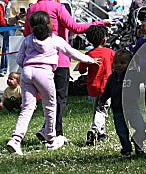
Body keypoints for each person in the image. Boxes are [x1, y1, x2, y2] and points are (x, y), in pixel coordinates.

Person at [24, 0, 113, 142]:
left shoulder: (32, 9)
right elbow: (75, 28)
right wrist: (101, 22)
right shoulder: (58, 7)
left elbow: (26, 34)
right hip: (59, 59)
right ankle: (52, 132)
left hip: (39, 61)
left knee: (48, 99)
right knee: (60, 98)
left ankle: (50, 130)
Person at [6, 11, 100, 155]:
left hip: (27, 72)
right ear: (49, 25)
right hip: (44, 73)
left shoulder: (27, 39)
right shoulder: (55, 40)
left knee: (27, 108)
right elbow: (72, 52)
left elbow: (19, 60)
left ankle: (16, 140)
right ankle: (51, 139)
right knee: (50, 106)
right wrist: (91, 60)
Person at [99, 50, 146, 158]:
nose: (118, 65)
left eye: (122, 63)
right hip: (118, 110)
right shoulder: (112, 78)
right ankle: (126, 150)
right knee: (122, 132)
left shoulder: (134, 75)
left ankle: (137, 140)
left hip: (132, 108)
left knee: (141, 126)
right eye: (116, 63)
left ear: (130, 64)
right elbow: (107, 91)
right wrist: (102, 100)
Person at [78, 25, 115, 145]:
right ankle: (95, 130)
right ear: (104, 39)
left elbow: (81, 70)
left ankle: (101, 134)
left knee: (97, 110)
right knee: (102, 110)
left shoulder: (88, 54)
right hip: (107, 86)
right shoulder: (110, 52)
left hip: (93, 87)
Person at [0, 0, 19, 76]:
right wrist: (4, 23)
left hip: (20, 26)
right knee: (6, 47)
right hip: (9, 26)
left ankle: (16, 69)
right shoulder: (6, 2)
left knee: (18, 48)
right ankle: (3, 69)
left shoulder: (21, 1)